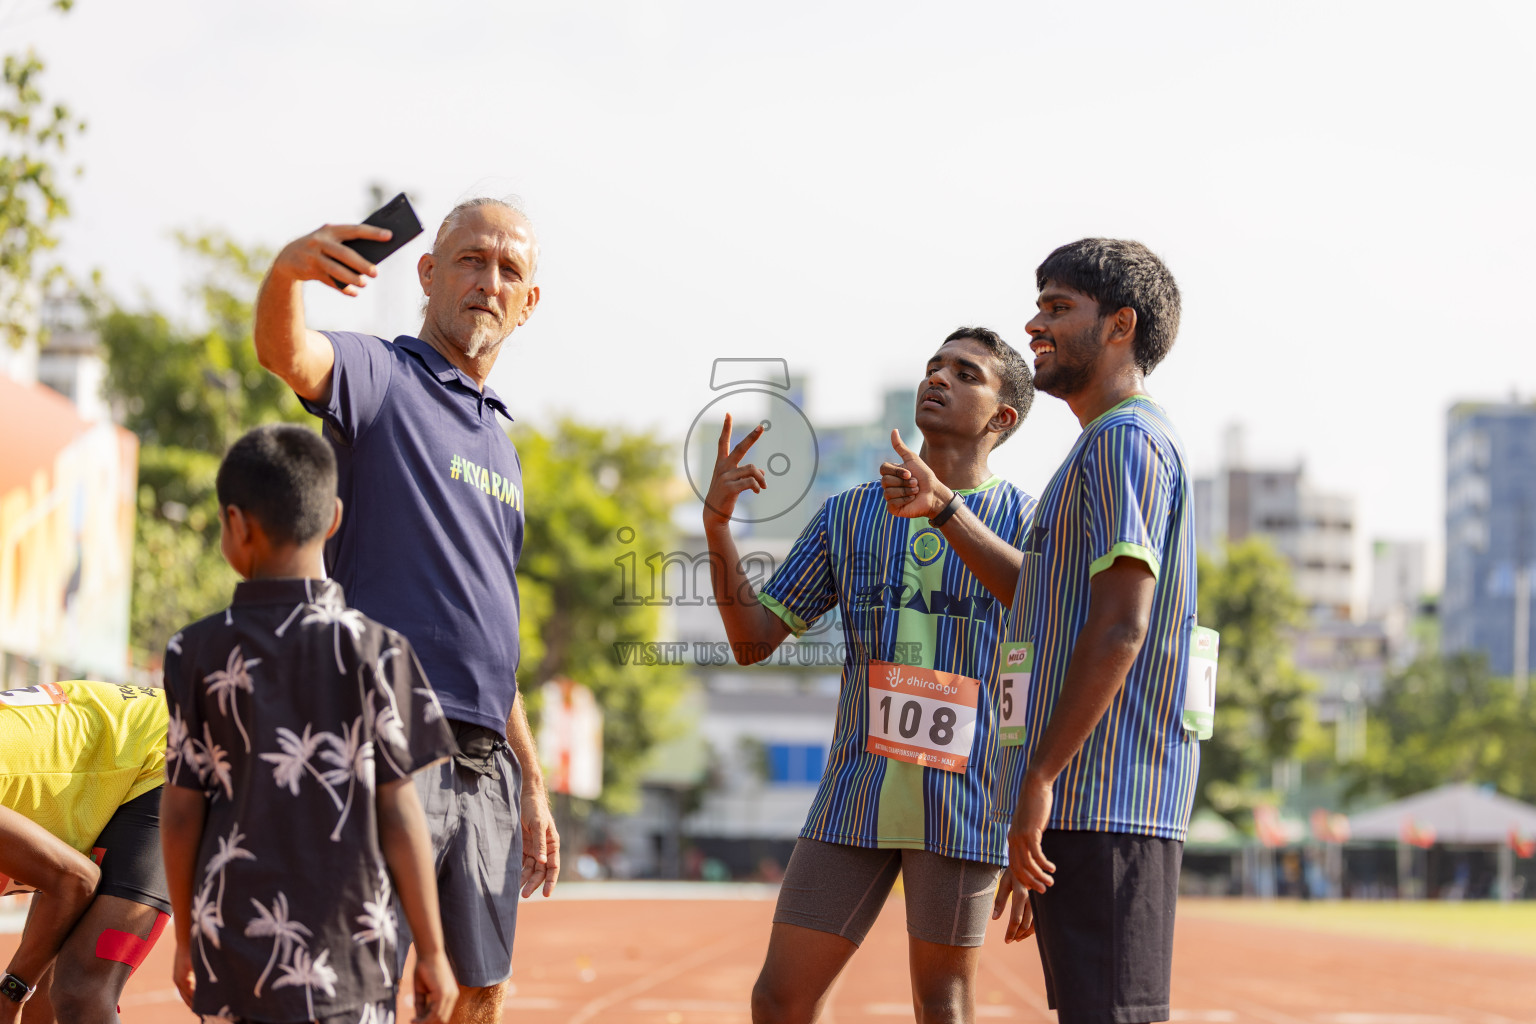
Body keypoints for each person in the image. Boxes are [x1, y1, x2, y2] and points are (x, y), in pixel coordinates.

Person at [250, 196, 558, 1022]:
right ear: (428, 271)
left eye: (510, 270)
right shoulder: (384, 376)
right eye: (471, 259)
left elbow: (493, 630)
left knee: (478, 988)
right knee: (361, 983)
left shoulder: (503, 444)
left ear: (529, 304)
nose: (489, 281)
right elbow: (290, 353)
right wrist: (288, 273)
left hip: (485, 759)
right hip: (386, 736)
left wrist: (530, 780)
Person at [882, 239, 1197, 1024]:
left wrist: (1040, 778)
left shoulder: (1125, 441)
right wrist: (947, 508)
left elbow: (1123, 626)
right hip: (1084, 802)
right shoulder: (1095, 448)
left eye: (1058, 308)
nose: (1034, 324)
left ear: (1120, 325)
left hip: (1106, 797)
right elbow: (1043, 596)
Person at [705, 328, 1038, 1024]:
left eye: (965, 373)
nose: (937, 379)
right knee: (779, 999)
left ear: (1002, 417)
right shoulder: (848, 516)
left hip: (967, 801)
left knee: (941, 1004)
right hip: (855, 793)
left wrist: (1034, 817)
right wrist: (716, 527)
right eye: (933, 366)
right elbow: (752, 643)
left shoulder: (1026, 524)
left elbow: (1049, 650)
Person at [159, 424, 459, 1024]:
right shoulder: (380, 649)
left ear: (237, 524)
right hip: (349, 958)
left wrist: (187, 935)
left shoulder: (192, 651)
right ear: (333, 519)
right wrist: (431, 950)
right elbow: (401, 812)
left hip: (234, 946)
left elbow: (182, 810)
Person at [0, 678, 172, 1023]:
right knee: (43, 1001)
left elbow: (74, 880)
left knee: (81, 992)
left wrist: (9, 995)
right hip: (93, 769)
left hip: (163, 751)